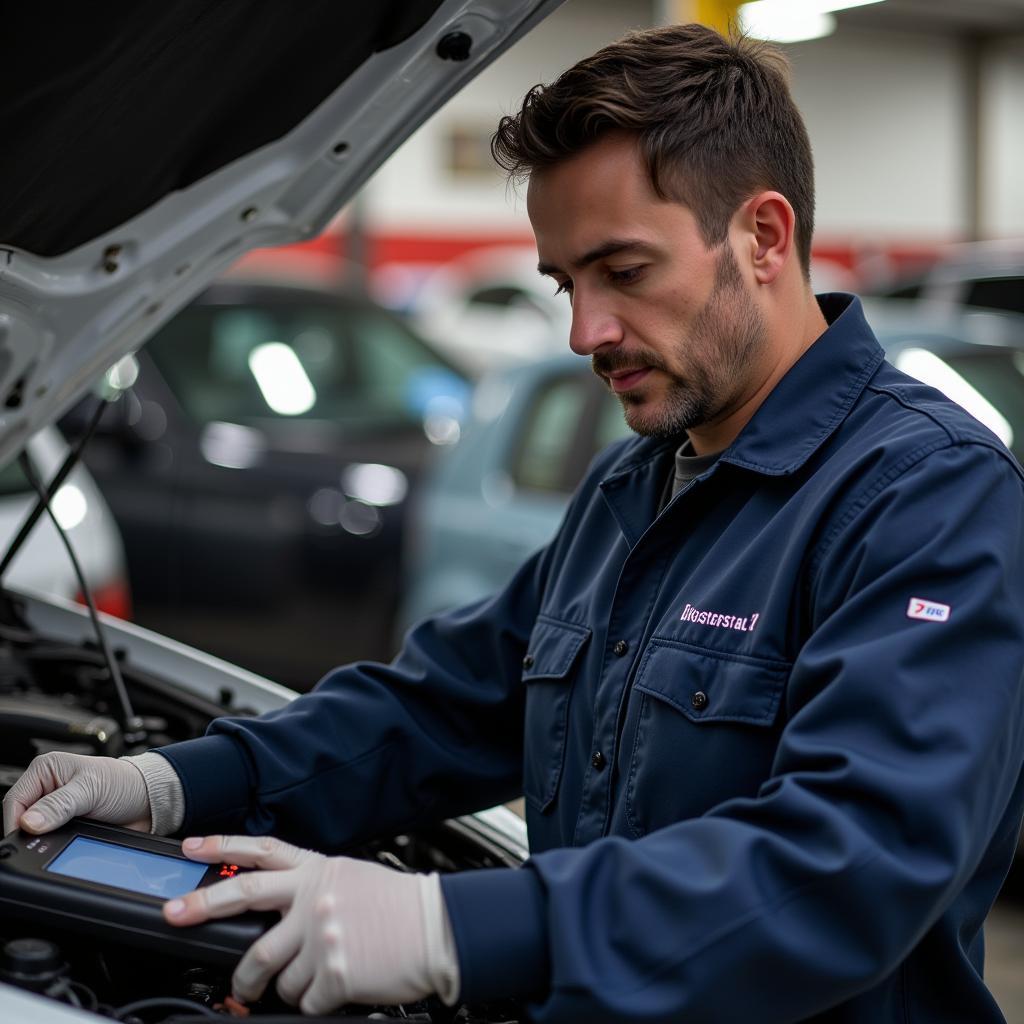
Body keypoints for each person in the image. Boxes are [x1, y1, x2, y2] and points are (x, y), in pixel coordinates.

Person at [5, 22, 1024, 1023]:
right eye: (564, 284)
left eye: (623, 271)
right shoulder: (633, 488)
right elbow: (438, 706)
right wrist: (170, 783)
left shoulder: (926, 496)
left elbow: (852, 863)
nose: (586, 332)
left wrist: (452, 927)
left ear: (762, 236)